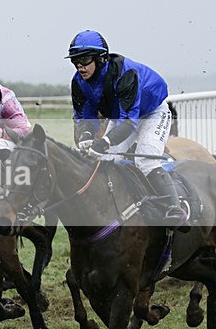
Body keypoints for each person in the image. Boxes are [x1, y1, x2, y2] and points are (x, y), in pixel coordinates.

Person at [66, 30, 186, 227]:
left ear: (101, 58)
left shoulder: (124, 74)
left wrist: (103, 142)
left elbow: (129, 122)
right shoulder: (79, 82)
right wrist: (87, 136)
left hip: (152, 113)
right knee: (106, 161)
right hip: (122, 115)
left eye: (85, 59)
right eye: (75, 61)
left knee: (145, 159)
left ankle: (175, 208)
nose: (80, 66)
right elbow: (85, 116)